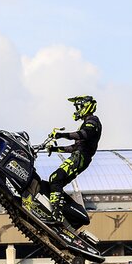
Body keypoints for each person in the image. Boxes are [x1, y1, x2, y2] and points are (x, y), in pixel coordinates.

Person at [45, 95, 102, 224]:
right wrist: (54, 149)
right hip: (79, 156)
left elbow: (83, 134)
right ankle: (61, 213)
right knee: (55, 184)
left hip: (80, 158)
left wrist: (61, 135)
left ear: (86, 106)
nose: (77, 109)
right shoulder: (87, 122)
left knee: (55, 178)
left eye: (79, 106)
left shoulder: (92, 121)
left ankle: (57, 216)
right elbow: (75, 147)